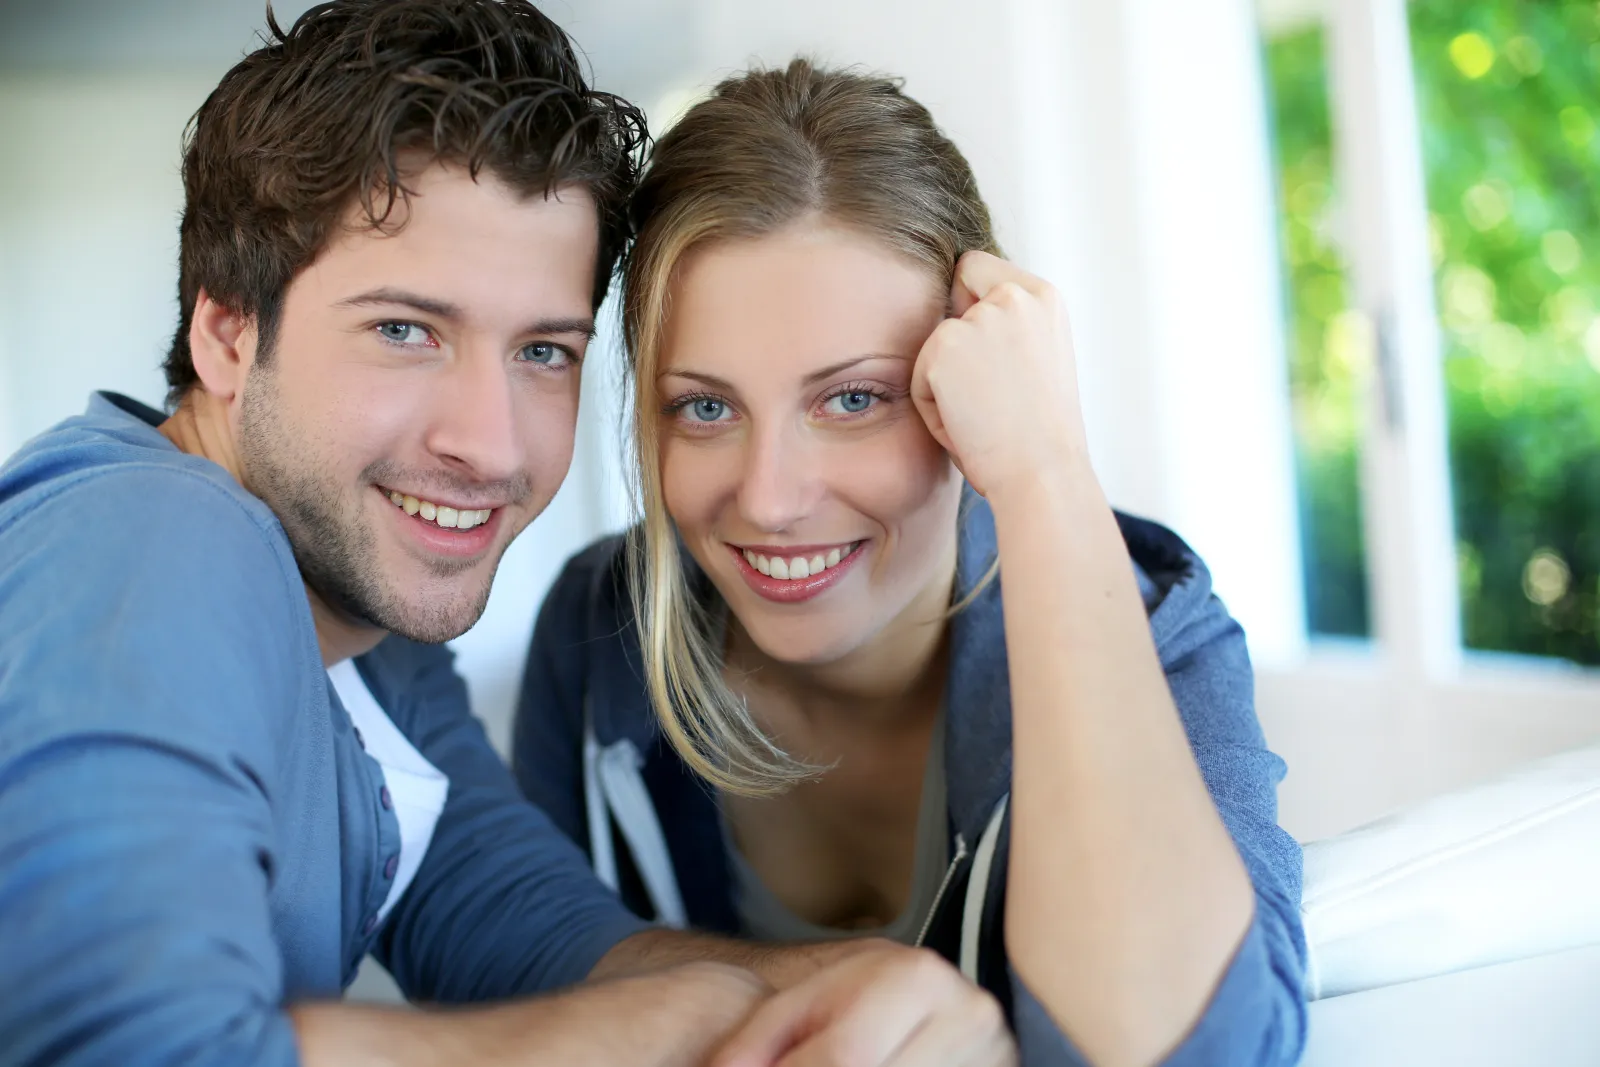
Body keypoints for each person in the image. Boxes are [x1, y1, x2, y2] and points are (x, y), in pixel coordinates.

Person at [0, 8, 1014, 1066]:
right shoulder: (157, 537)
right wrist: (653, 1028)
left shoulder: (365, 643)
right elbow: (119, 1046)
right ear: (227, 333)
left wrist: (896, 992)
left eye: (542, 349)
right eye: (404, 331)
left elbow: (542, 940)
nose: (487, 444)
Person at [514, 59, 1310, 1067]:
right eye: (704, 407)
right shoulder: (600, 633)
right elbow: (524, 987)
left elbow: (1197, 1050)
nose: (767, 497)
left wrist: (1043, 466)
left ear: (968, 381)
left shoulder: (1153, 631)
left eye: (853, 399)